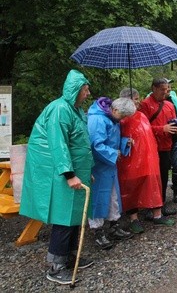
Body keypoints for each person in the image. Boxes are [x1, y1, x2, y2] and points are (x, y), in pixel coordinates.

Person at [19, 70, 94, 285]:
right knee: (64, 215)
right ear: (75, 90)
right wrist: (69, 174)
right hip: (61, 172)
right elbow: (58, 144)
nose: (88, 93)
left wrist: (87, 172)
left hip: (77, 170)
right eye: (85, 89)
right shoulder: (60, 109)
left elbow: (81, 143)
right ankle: (56, 265)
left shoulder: (76, 110)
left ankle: (70, 255)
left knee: (74, 214)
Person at [117, 88, 174, 235]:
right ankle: (133, 218)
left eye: (138, 98)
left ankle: (157, 214)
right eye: (135, 99)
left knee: (153, 183)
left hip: (149, 158)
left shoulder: (141, 115)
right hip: (131, 160)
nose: (138, 101)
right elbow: (116, 139)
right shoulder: (122, 120)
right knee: (131, 188)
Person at [87, 97, 135, 250]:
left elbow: (113, 140)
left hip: (109, 166)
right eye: (123, 116)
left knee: (113, 197)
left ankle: (114, 226)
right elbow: (95, 145)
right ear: (114, 110)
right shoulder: (97, 120)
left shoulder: (112, 118)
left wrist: (124, 142)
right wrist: (114, 153)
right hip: (99, 167)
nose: (124, 119)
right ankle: (97, 231)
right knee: (98, 198)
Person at [140, 78, 177, 216]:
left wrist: (176, 129)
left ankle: (161, 204)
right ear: (154, 88)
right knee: (150, 177)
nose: (166, 92)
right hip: (150, 148)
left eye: (167, 89)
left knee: (163, 176)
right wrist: (161, 129)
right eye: (162, 89)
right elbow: (142, 127)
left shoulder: (169, 105)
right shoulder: (145, 105)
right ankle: (148, 207)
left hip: (166, 146)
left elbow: (173, 122)